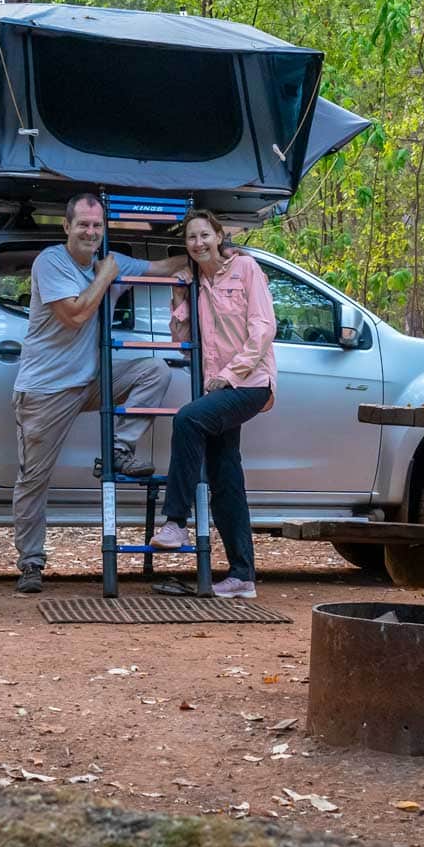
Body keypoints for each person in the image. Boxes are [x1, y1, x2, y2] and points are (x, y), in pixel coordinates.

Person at [11, 193, 186, 594]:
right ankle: (31, 564)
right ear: (67, 227)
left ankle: (118, 448)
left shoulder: (112, 260)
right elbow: (74, 315)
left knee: (154, 369)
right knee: (34, 479)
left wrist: (201, 257)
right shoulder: (51, 262)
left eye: (97, 225)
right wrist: (107, 276)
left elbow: (160, 267)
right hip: (46, 389)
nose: (90, 232)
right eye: (83, 224)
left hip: (90, 380)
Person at [148, 211, 276, 599]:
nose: (198, 243)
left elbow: (263, 327)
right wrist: (179, 296)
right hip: (217, 387)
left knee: (188, 419)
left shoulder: (246, 269)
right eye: (191, 238)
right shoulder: (195, 283)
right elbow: (180, 339)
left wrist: (233, 372)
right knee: (225, 478)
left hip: (250, 382)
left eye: (205, 235)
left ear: (219, 236)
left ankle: (175, 521)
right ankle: (242, 576)